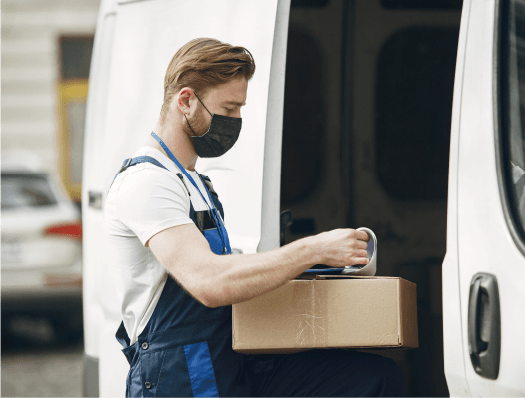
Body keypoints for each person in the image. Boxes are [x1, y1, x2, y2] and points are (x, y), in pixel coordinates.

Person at [105, 38, 405, 397]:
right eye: (229, 109)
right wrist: (313, 250)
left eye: (240, 109)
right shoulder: (148, 183)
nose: (236, 121)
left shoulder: (195, 182)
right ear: (185, 100)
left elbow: (224, 271)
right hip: (180, 374)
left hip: (225, 361)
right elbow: (210, 283)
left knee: (372, 379)